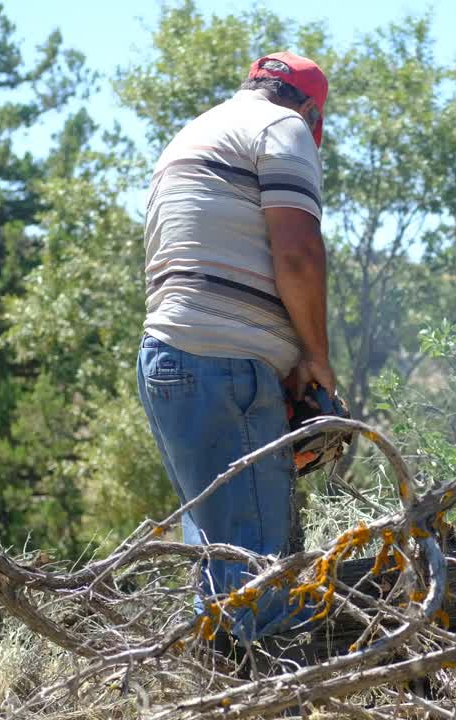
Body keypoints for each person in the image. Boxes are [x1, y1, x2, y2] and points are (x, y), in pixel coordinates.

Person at [136, 51, 335, 646]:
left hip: (169, 361)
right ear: (310, 110)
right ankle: (262, 685)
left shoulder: (196, 131)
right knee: (255, 576)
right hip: (223, 369)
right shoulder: (282, 127)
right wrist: (315, 358)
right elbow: (298, 253)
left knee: (218, 558)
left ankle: (212, 681)